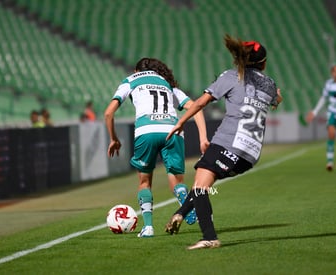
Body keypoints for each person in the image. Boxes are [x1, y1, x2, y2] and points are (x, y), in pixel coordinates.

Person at [164, 35, 282, 250]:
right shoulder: (270, 84)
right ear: (263, 63)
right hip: (250, 154)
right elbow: (277, 98)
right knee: (201, 185)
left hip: (228, 142)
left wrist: (181, 121)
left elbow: (201, 101)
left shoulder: (231, 76)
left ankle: (209, 237)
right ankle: (180, 214)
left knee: (200, 187)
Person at [104, 57, 209, 237]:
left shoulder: (130, 80)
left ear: (137, 71)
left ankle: (148, 228)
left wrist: (114, 139)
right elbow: (195, 107)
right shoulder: (167, 84)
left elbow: (108, 113)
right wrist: (203, 138)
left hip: (146, 130)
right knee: (177, 182)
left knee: (144, 182)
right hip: (172, 129)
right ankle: (186, 206)